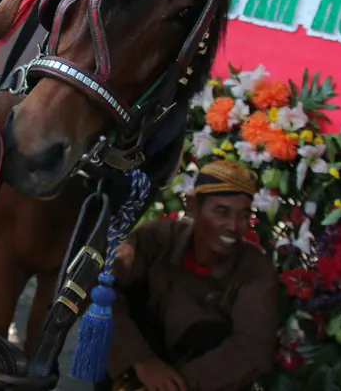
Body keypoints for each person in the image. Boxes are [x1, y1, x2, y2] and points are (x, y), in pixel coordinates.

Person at [101, 159, 280, 391]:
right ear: (193, 206)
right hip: (132, 374)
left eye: (244, 215)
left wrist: (175, 385)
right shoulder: (157, 240)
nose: (234, 226)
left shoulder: (256, 270)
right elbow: (102, 292)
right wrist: (139, 359)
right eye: (221, 211)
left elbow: (251, 348)